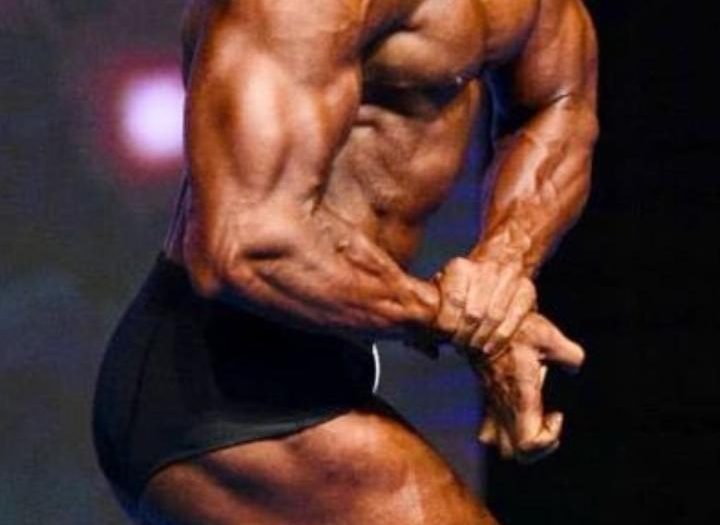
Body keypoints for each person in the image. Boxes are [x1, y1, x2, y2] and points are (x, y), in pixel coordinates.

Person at [93, 0, 598, 523]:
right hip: (220, 388)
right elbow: (247, 245)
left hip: (325, 369)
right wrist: (466, 322)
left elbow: (559, 103)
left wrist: (503, 267)